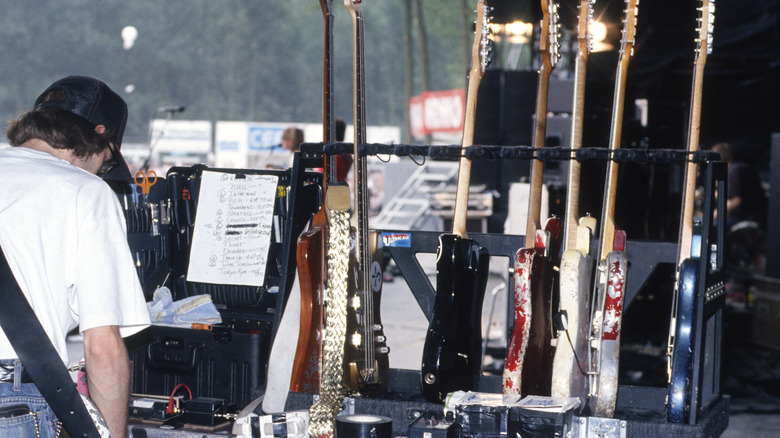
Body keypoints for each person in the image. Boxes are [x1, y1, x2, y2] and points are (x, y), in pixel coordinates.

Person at [0, 76, 150, 437]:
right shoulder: (86, 192)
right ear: (100, 136)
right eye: (106, 160)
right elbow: (102, 348)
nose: (101, 171)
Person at [712, 142, 768, 231]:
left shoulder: (733, 171)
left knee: (709, 228)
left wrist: (713, 214)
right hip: (751, 215)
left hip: (739, 219)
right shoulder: (739, 168)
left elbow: (736, 201)